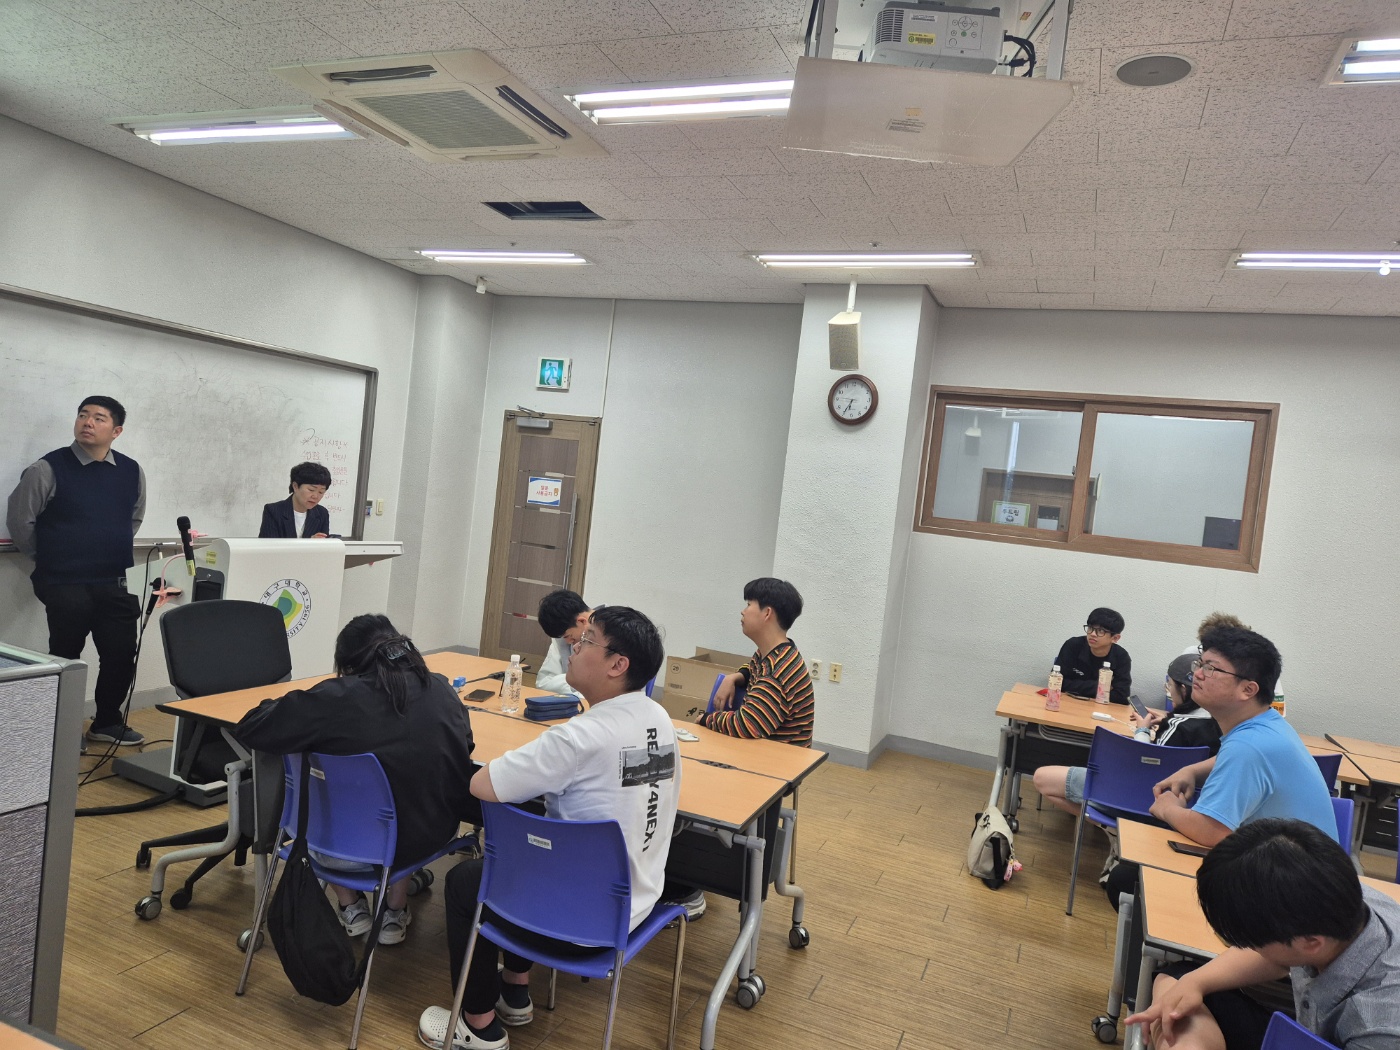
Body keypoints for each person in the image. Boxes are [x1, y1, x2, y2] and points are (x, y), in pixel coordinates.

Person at [418, 605, 677, 1050]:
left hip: (580, 923)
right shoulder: (659, 719)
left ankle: (477, 1026)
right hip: (635, 904)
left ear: (618, 665)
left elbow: (482, 785)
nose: (574, 647)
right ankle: (515, 990)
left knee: (465, 883)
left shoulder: (579, 737)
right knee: (535, 849)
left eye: (588, 640)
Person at [234, 614, 477, 946]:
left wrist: (280, 705)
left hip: (334, 848)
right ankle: (394, 908)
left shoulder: (333, 699)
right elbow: (465, 749)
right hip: (425, 838)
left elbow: (252, 726)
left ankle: (350, 906)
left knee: (335, 795)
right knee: (407, 788)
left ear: (347, 666)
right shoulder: (441, 689)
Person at [1100, 625, 1337, 909]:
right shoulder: (1268, 725)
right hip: (1310, 876)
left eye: (1211, 669)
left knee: (1126, 879)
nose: (1197, 674)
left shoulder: (1247, 747)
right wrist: (1193, 770)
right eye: (1200, 664)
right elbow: (1236, 758)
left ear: (1248, 689)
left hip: (1292, 896)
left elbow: (1212, 831)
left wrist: (1167, 808)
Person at [1126, 818, 1400, 1050]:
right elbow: (1276, 959)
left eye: (1256, 943)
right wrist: (1194, 983)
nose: (1251, 949)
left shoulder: (1379, 1028)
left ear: (1311, 943)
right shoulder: (1337, 898)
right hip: (1307, 1028)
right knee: (1177, 982)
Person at [6, 396, 147, 745]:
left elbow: (133, 518)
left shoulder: (131, 470)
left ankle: (107, 722)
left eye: (99, 418)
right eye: (83, 415)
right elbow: (21, 521)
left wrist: (105, 546)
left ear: (116, 431)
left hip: (114, 578)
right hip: (63, 580)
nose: (87, 422)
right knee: (66, 654)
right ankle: (62, 730)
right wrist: (50, 558)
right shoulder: (48, 468)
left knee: (120, 652)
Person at [1034, 652, 1222, 817]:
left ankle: (1116, 828)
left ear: (1184, 689)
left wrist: (1142, 730)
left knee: (1042, 777)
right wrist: (1167, 719)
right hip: (1185, 806)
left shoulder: (1177, 727)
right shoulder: (1221, 724)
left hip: (1136, 798)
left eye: (1170, 685)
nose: (1169, 691)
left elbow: (1144, 764)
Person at [700, 577, 815, 746]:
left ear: (767, 613)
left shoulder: (777, 671)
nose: (743, 611)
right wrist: (736, 677)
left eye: (748, 605)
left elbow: (747, 725)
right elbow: (753, 669)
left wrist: (706, 719)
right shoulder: (773, 653)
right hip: (764, 750)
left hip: (777, 759)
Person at [1054, 607, 1132, 704]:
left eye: (1101, 631)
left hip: (1101, 708)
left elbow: (1121, 696)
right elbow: (1056, 682)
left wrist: (1076, 685)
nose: (1093, 634)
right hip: (1069, 703)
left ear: (1115, 638)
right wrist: (1101, 687)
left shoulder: (1121, 657)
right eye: (1090, 628)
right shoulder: (1073, 645)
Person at [534, 588, 590, 697]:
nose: (568, 642)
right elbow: (544, 683)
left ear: (582, 621)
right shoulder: (563, 636)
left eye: (568, 636)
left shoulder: (615, 634)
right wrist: (578, 685)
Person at [259, 461, 331, 538]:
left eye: (321, 492)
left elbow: (324, 543)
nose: (315, 496)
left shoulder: (321, 513)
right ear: (295, 486)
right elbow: (269, 544)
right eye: (311, 490)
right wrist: (309, 543)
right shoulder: (273, 511)